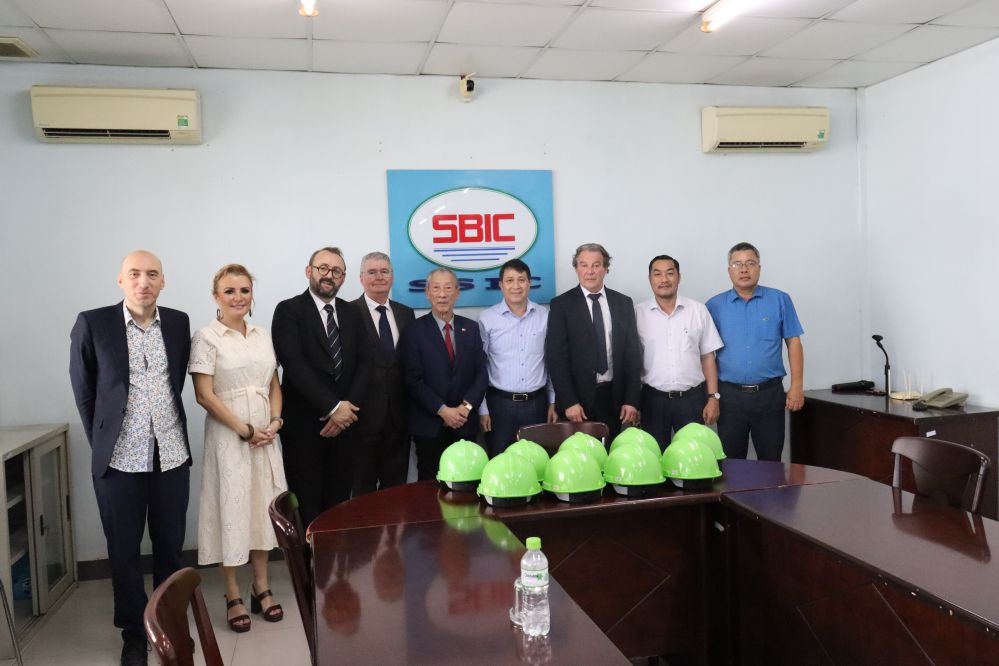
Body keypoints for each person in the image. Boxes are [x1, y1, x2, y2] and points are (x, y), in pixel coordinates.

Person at [69, 250, 191, 666]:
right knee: (123, 551)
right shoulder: (93, 323)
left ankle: (169, 624)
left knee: (171, 548)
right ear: (121, 280)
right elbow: (84, 391)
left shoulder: (178, 322)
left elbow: (175, 381)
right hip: (119, 460)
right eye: (135, 274)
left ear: (163, 281)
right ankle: (134, 634)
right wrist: (103, 441)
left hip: (170, 455)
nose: (144, 282)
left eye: (152, 274)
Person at [189, 264, 287, 632]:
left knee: (262, 507)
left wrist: (274, 422)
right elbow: (204, 394)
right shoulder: (206, 337)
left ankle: (261, 586)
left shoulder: (262, 335)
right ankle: (232, 593)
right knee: (229, 508)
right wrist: (244, 430)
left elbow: (273, 384)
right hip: (229, 435)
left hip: (266, 434)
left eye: (244, 290)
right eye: (229, 291)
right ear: (216, 296)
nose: (238, 297)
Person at [272, 247, 369, 526]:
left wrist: (345, 412)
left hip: (346, 427)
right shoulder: (289, 310)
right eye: (322, 268)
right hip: (304, 427)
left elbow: (365, 363)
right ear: (309, 271)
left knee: (340, 505)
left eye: (336, 271)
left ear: (343, 277)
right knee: (307, 505)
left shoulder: (352, 313)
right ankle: (309, 555)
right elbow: (294, 364)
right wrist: (333, 407)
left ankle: (336, 555)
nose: (329, 275)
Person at [706, 242, 804, 461]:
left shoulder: (780, 300)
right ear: (729, 270)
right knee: (732, 463)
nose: (744, 269)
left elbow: (794, 342)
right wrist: (712, 396)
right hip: (730, 397)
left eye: (750, 263)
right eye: (737, 264)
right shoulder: (714, 306)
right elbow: (706, 354)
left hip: (769, 395)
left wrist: (797, 385)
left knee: (771, 461)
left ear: (759, 267)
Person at [545, 243, 642, 442]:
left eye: (596, 265)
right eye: (584, 265)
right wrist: (569, 401)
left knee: (611, 454)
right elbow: (556, 359)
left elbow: (632, 356)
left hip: (614, 400)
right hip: (577, 404)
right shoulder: (561, 305)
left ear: (606, 268)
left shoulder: (623, 303)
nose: (590, 271)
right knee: (579, 456)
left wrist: (631, 400)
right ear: (576, 269)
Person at [400, 268, 487, 480]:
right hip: (429, 426)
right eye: (436, 288)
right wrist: (443, 410)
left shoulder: (471, 328)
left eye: (448, 288)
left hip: (465, 424)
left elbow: (481, 373)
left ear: (457, 292)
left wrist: (465, 408)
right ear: (427, 293)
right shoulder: (413, 331)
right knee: (429, 486)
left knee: (467, 483)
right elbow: (413, 380)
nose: (442, 294)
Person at [636, 255, 724, 450]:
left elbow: (708, 357)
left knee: (693, 456)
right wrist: (634, 403)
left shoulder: (698, 310)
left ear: (679, 277)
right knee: (655, 456)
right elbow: (632, 362)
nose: (664, 279)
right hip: (652, 400)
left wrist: (713, 398)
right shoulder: (638, 314)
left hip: (692, 400)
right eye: (657, 274)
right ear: (650, 279)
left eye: (670, 273)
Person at [350, 252, 415, 494]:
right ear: (361, 278)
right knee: (362, 492)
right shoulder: (348, 312)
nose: (379, 277)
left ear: (392, 276)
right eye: (372, 272)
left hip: (399, 419)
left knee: (396, 491)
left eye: (384, 271)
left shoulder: (406, 313)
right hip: (361, 419)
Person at [478, 259, 556, 456]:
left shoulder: (545, 316)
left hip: (537, 404)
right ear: (501, 285)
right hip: (499, 406)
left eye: (521, 280)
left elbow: (552, 362)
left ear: (529, 283)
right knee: (500, 462)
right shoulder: (487, 319)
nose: (516, 286)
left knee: (537, 461)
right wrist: (482, 409)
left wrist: (553, 401)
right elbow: (479, 367)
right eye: (510, 280)